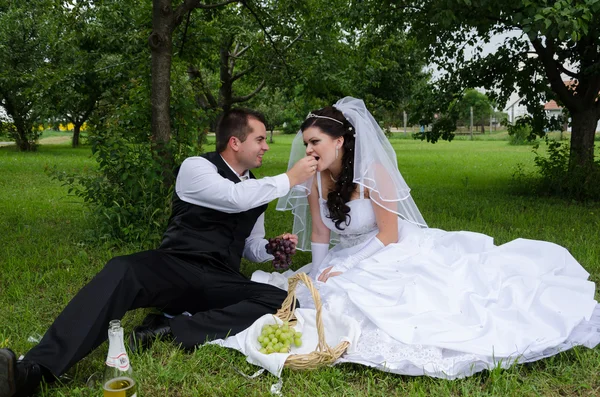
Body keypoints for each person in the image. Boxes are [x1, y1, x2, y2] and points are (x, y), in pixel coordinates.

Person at [252, 97, 600, 379]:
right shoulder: (314, 179)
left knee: (412, 296)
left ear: (339, 141)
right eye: (306, 143)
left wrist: (349, 266)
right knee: (320, 291)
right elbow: (319, 231)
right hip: (350, 251)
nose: (309, 150)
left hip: (390, 248)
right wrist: (321, 268)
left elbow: (389, 234)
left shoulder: (374, 173)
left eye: (316, 142)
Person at [0, 108, 318, 397]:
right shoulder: (197, 168)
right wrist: (291, 178)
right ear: (235, 142)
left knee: (283, 300)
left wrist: (273, 248)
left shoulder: (258, 190)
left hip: (218, 278)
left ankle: (166, 331)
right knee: (121, 269)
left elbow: (250, 245)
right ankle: (36, 370)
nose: (265, 146)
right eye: (260, 139)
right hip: (174, 267)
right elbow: (233, 197)